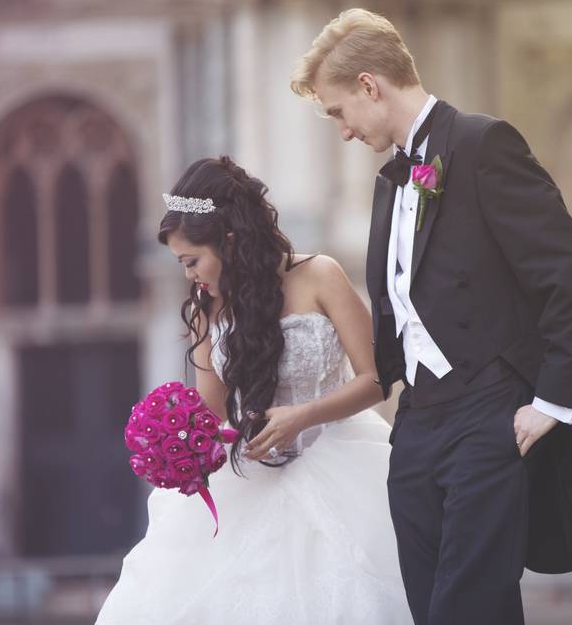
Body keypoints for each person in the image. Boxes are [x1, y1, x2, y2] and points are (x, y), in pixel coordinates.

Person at [290, 8, 572, 625]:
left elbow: (570, 275)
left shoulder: (484, 144)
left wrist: (552, 403)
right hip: (417, 423)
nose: (344, 131)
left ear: (368, 87)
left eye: (337, 112)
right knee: (433, 604)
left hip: (489, 412)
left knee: (469, 607)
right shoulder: (389, 181)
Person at [95, 155, 412, 624]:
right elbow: (212, 410)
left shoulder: (320, 275)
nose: (189, 275)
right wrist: (174, 435)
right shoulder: (207, 306)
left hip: (340, 465)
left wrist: (304, 416)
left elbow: (378, 379)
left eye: (192, 261)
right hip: (251, 480)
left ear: (229, 239)